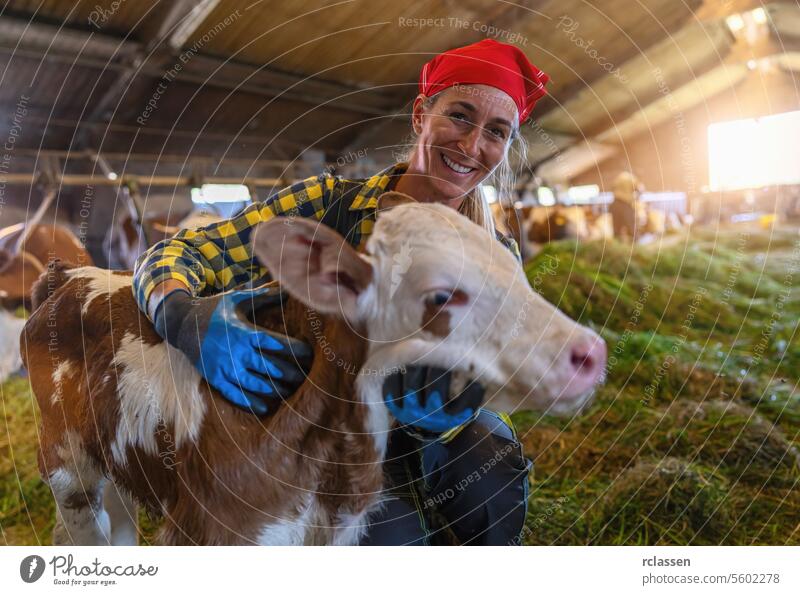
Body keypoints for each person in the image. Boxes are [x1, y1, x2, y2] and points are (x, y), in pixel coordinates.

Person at [132, 39, 549, 545]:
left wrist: (464, 392)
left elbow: (501, 362)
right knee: (386, 536)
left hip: (429, 435)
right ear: (421, 114)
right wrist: (180, 315)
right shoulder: (327, 205)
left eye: (496, 132)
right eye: (460, 116)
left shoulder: (495, 251)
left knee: (494, 478)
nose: (471, 145)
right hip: (323, 431)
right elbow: (183, 252)